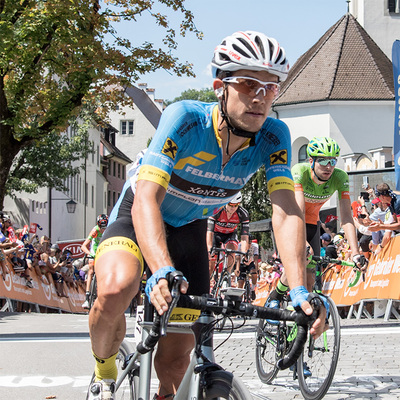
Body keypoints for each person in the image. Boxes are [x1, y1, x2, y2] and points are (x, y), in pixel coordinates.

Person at [87, 30, 327, 400]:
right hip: (140, 215)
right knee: (118, 286)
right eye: (248, 84)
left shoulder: (274, 135)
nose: (260, 97)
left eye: (271, 86)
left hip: (189, 228)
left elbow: (286, 211)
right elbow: (147, 198)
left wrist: (297, 288)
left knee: (176, 363)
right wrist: (160, 268)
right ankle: (104, 373)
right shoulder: (184, 119)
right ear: (221, 86)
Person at [266, 137, 365, 310]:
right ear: (311, 161)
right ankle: (275, 296)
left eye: (333, 161)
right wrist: (302, 243)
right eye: (324, 161)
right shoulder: (300, 172)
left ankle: (303, 321)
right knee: (302, 258)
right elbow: (298, 212)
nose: (329, 166)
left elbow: (347, 218)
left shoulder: (339, 177)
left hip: (312, 223)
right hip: (291, 220)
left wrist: (356, 252)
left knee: (311, 278)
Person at [206, 192, 249, 278]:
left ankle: (226, 275)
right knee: (210, 266)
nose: (233, 208)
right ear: (226, 203)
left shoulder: (243, 213)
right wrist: (209, 248)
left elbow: (244, 236)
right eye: (231, 205)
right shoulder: (217, 210)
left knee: (232, 251)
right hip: (215, 234)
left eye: (236, 205)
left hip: (230, 235)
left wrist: (245, 252)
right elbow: (209, 231)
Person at [81, 214, 108, 309]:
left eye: (105, 227)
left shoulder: (109, 230)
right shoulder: (95, 230)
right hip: (94, 250)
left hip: (103, 250)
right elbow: (83, 246)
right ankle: (87, 298)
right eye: (102, 227)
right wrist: (89, 253)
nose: (103, 230)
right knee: (91, 270)